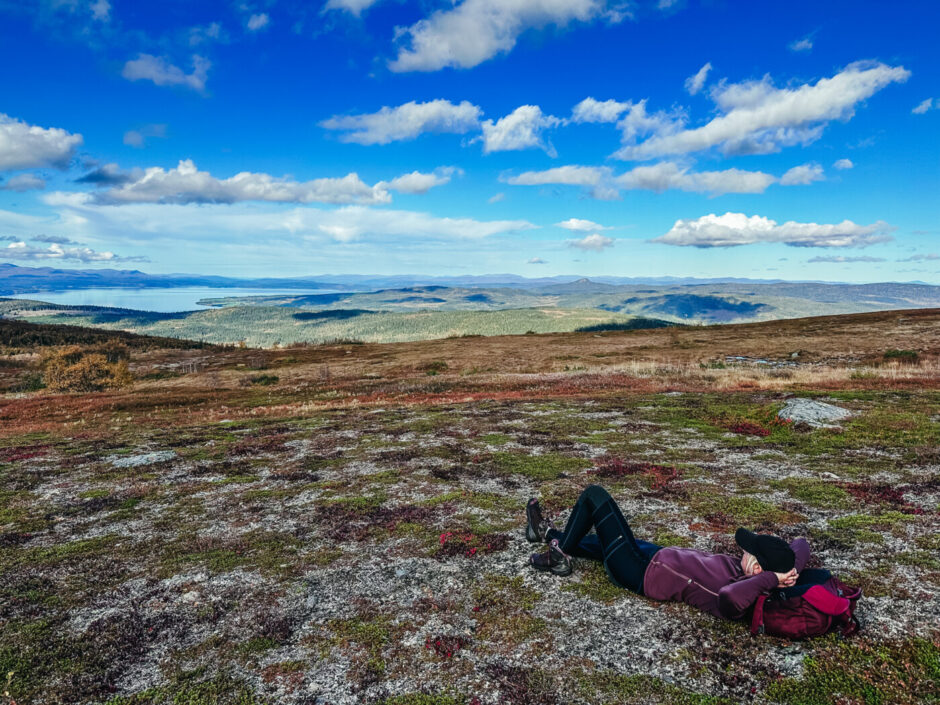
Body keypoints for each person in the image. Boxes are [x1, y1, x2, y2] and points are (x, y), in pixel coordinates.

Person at [526, 484, 805, 622]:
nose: (743, 549)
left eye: (749, 552)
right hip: (657, 558)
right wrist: (787, 573)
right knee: (604, 539)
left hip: (638, 571)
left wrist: (770, 579)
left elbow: (729, 599)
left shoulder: (740, 591)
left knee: (594, 496)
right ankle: (547, 534)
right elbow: (802, 545)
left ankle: (558, 556)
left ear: (757, 571)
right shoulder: (758, 575)